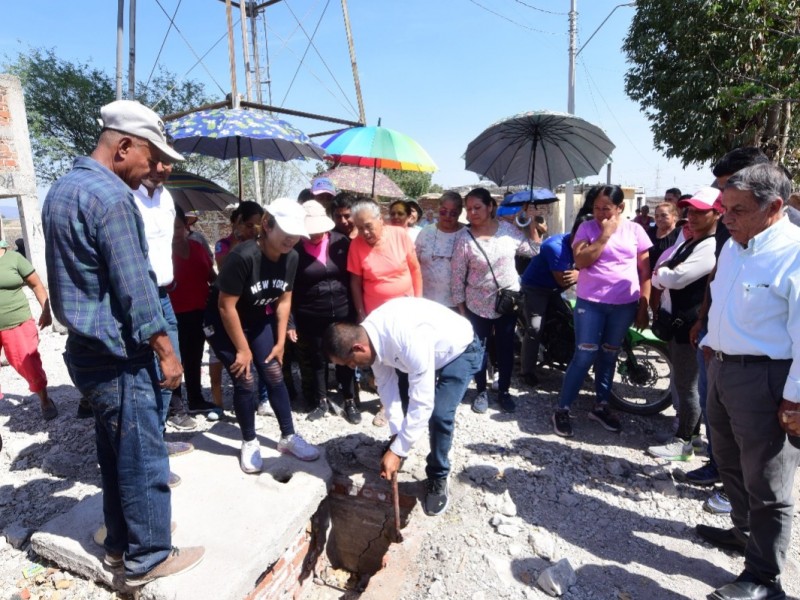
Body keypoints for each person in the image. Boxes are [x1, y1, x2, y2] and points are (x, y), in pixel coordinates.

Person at [41, 99, 204, 586]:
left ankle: (119, 540)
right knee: (143, 454)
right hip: (119, 352)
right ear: (124, 146)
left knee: (113, 450)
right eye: (152, 158)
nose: (157, 168)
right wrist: (167, 351)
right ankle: (148, 555)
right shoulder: (112, 199)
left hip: (86, 351)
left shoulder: (64, 189)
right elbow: (136, 288)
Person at [694, 163, 800, 600]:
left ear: (774, 207)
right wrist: (710, 339)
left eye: (736, 209)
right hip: (721, 369)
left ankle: (764, 578)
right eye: (723, 208)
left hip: (765, 379)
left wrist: (794, 400)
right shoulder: (736, 245)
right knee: (728, 460)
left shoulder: (793, 252)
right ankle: (744, 533)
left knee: (767, 480)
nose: (725, 217)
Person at [323, 297, 483, 516]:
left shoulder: (406, 339)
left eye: (350, 362)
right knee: (407, 413)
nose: (352, 368)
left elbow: (424, 402)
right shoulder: (371, 337)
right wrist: (398, 438)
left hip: (460, 350)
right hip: (430, 351)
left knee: (439, 414)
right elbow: (387, 387)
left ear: (358, 347)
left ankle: (438, 475)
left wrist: (397, 452)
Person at [205, 197, 320, 473]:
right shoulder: (243, 257)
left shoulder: (291, 256)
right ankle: (249, 440)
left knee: (274, 372)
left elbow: (284, 300)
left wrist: (280, 342)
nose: (292, 239)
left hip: (256, 318)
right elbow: (225, 306)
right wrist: (243, 350)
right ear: (267, 224)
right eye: (287, 232)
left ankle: (288, 437)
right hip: (222, 323)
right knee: (244, 379)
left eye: (296, 234)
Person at [685, 147, 771, 513]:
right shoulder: (728, 225)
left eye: (729, 188)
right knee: (715, 413)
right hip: (718, 341)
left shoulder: (788, 233)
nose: (723, 200)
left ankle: (750, 506)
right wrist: (705, 320)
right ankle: (722, 473)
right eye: (721, 191)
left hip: (759, 357)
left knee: (753, 436)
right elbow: (718, 276)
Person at [551, 184, 651, 438]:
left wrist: (644, 303)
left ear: (620, 208)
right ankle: (562, 408)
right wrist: (604, 235)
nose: (600, 213)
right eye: (596, 207)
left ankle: (601, 406)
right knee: (584, 356)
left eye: (606, 208)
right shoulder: (586, 229)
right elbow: (582, 261)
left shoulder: (635, 230)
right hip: (591, 303)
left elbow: (644, 271)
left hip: (624, 304)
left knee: (609, 355)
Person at [646, 187, 720, 461]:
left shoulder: (709, 246)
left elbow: (675, 278)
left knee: (688, 385)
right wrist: (664, 274)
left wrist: (662, 275)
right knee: (684, 382)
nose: (694, 216)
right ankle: (695, 438)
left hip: (689, 325)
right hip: (678, 323)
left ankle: (684, 442)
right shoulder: (691, 241)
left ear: (717, 213)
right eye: (691, 210)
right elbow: (665, 273)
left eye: (702, 211)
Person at [450, 187, 535, 414]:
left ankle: (504, 391)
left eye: (477, 207)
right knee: (479, 350)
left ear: (490, 207)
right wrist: (461, 310)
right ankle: (480, 392)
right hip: (476, 303)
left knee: (506, 347)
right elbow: (457, 277)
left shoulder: (508, 231)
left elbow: (533, 250)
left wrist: (531, 223)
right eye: (468, 209)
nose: (472, 213)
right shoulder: (464, 238)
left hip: (507, 301)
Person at [132, 153, 199, 432]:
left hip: (162, 294)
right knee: (143, 371)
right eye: (155, 160)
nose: (161, 168)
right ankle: (148, 444)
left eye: (168, 161)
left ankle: (156, 438)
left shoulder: (166, 197)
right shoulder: (126, 195)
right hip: (137, 294)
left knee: (171, 369)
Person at [348, 199, 422, 426]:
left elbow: (415, 269)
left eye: (368, 225)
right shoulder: (356, 245)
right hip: (377, 314)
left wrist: (419, 303)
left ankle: (413, 404)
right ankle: (386, 405)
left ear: (381, 219)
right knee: (385, 361)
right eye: (359, 228)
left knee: (410, 356)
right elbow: (355, 282)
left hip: (407, 309)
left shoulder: (400, 235)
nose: (365, 232)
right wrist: (361, 313)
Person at [293, 200, 360, 424]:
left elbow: (354, 277)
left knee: (347, 356)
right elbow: (289, 290)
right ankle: (321, 401)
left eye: (319, 230)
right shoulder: (295, 249)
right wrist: (291, 322)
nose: (315, 235)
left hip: (343, 312)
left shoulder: (341, 243)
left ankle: (349, 399)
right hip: (311, 314)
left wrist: (358, 310)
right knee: (318, 359)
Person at [518, 218, 582, 388]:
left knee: (568, 320)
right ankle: (527, 371)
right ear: (574, 233)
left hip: (554, 289)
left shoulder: (586, 244)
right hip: (536, 288)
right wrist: (582, 275)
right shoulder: (556, 247)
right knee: (535, 328)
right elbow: (563, 281)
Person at [170, 207, 218, 417]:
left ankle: (196, 398)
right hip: (173, 314)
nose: (175, 232)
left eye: (178, 227)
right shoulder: (161, 253)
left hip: (199, 311)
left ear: (186, 226)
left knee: (194, 357)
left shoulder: (197, 246)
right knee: (175, 359)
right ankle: (176, 406)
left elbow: (210, 274)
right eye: (170, 228)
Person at [0, 239, 56, 419]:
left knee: (29, 363)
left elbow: (36, 284)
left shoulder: (14, 259)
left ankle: (44, 400)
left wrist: (46, 311)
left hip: (17, 322)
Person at [414, 191, 464, 309]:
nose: (447, 216)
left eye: (453, 213)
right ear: (438, 208)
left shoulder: (466, 234)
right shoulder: (425, 232)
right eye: (443, 211)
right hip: (426, 301)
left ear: (460, 212)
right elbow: (414, 263)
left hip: (457, 305)